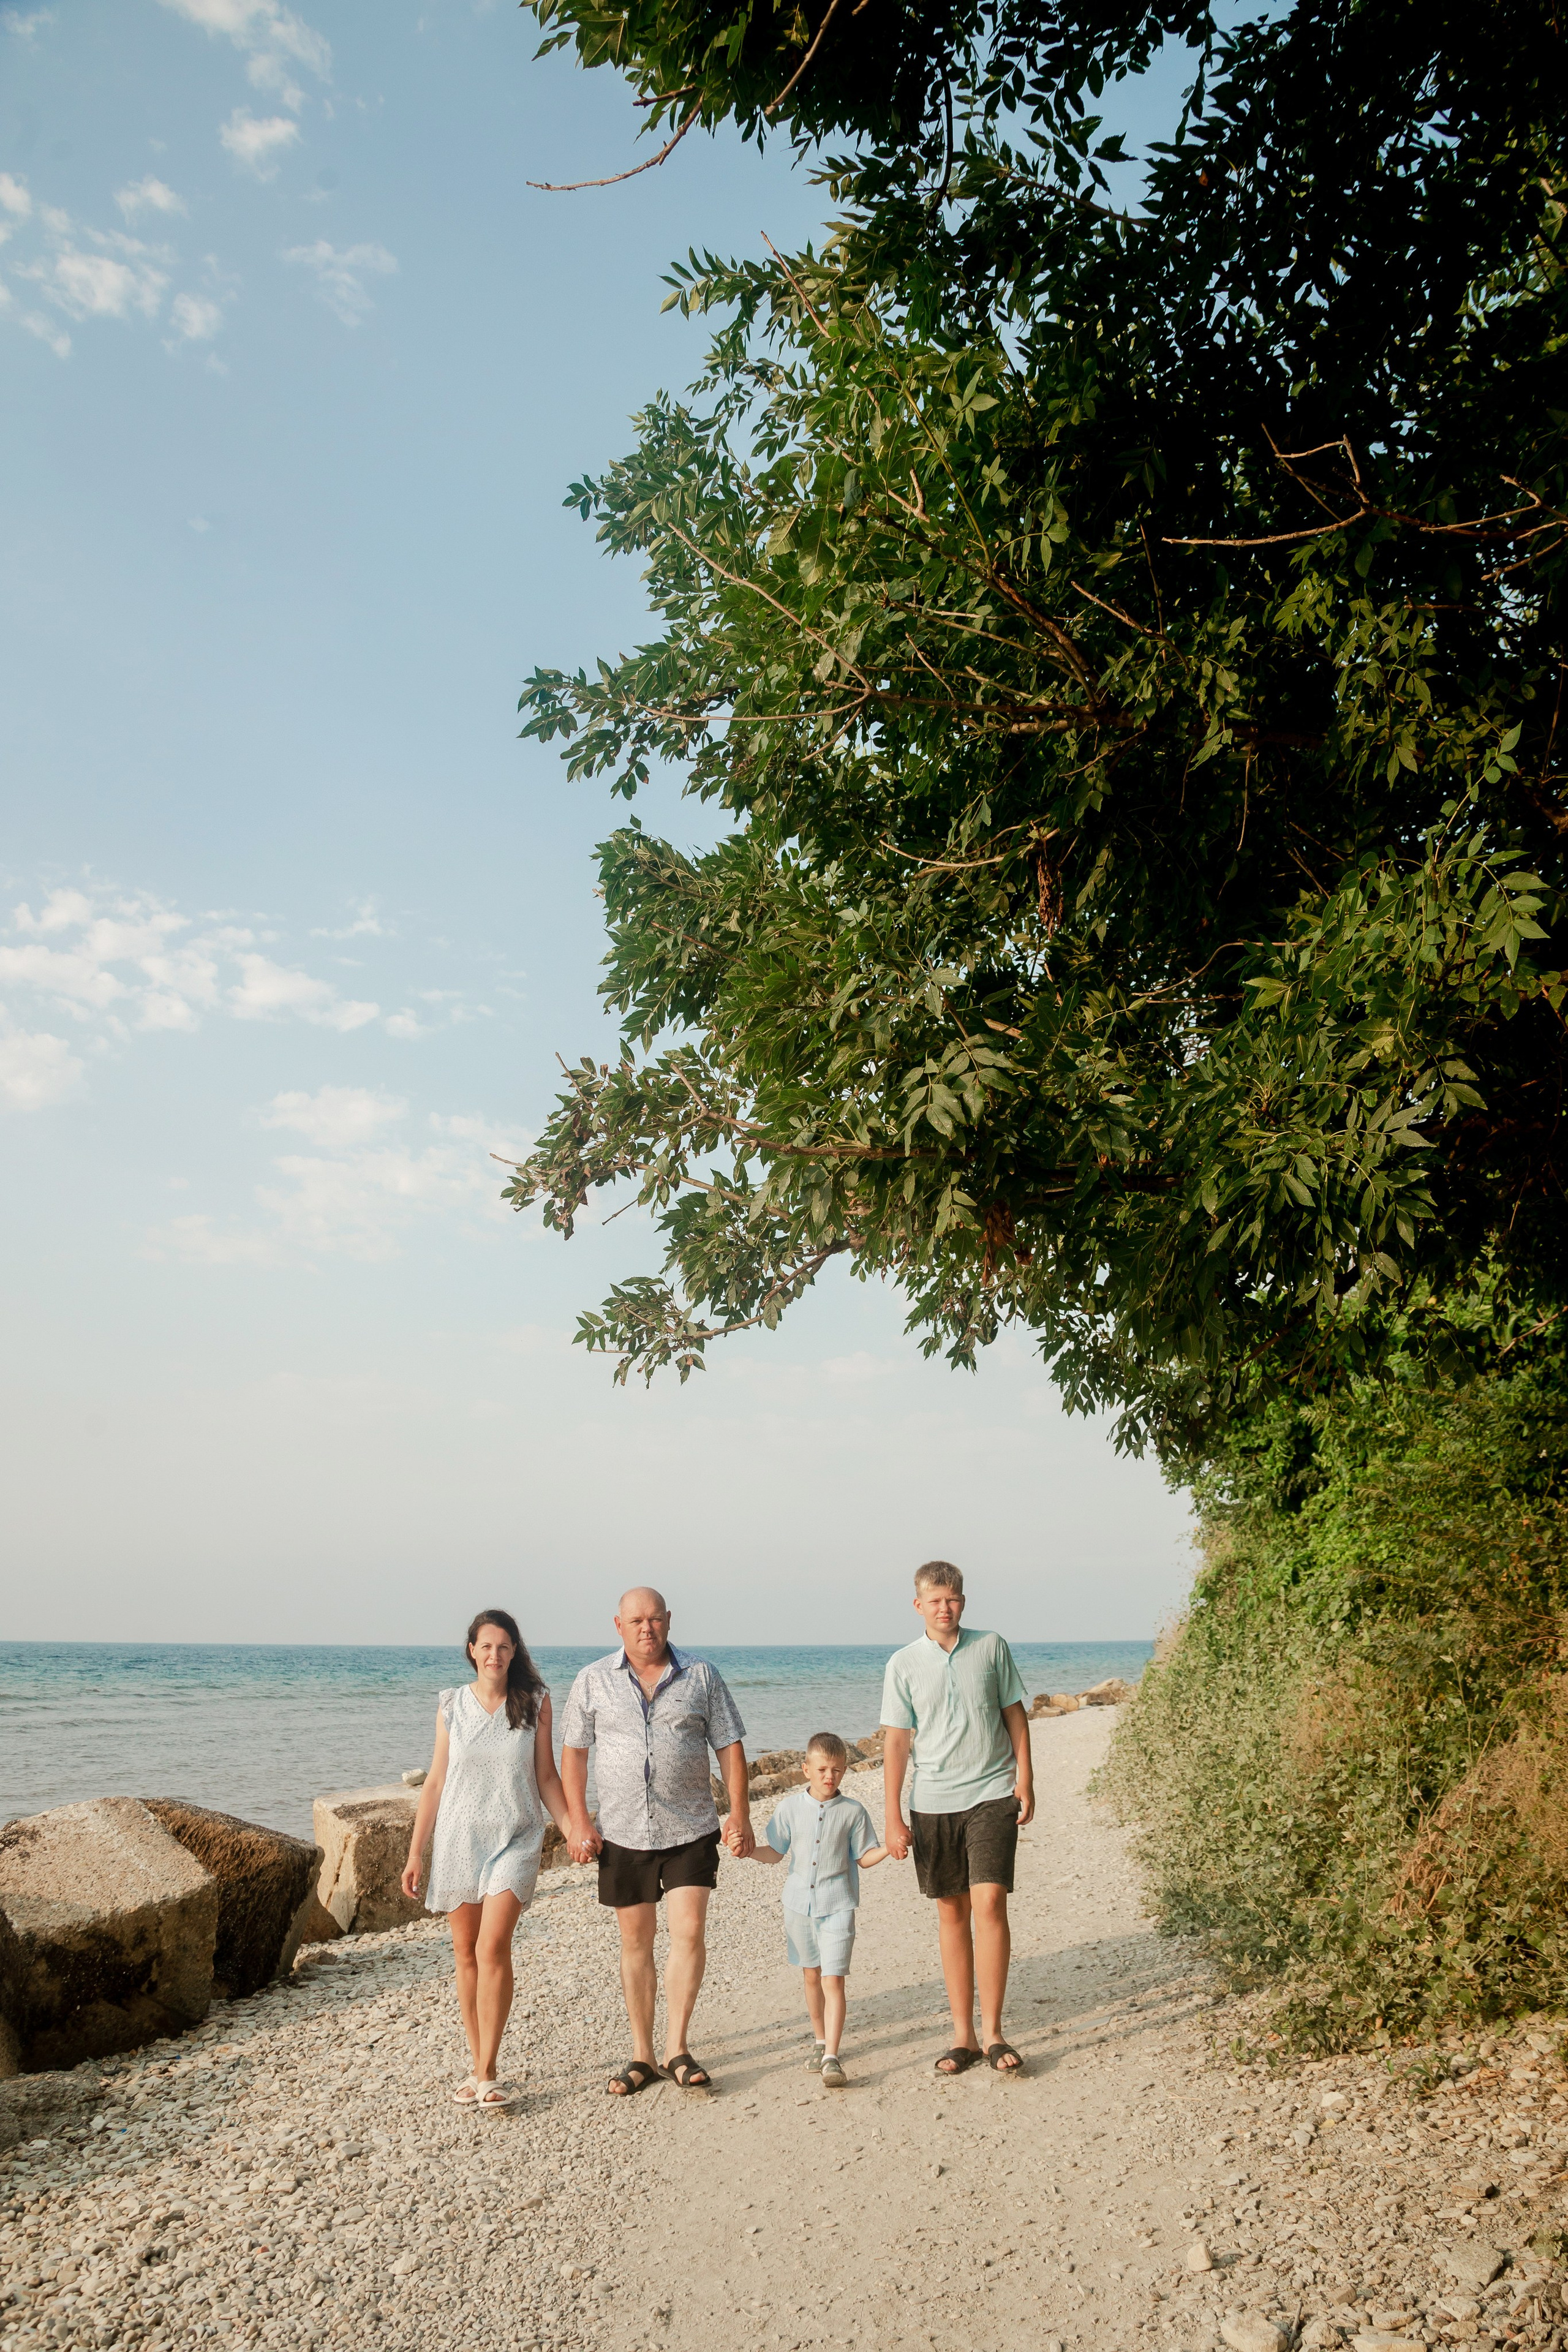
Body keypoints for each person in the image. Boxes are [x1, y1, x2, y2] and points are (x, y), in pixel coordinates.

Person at [560, 1586, 752, 2095]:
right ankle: (642, 2055)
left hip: (690, 1827)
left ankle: (677, 2047)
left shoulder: (702, 1676)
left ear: (669, 1620)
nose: (647, 1628)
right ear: (618, 1625)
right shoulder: (592, 1680)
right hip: (622, 1833)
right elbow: (574, 1755)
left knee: (688, 1932)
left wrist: (740, 1814)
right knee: (636, 1942)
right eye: (636, 1620)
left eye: (655, 1619)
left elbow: (730, 1747)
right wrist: (579, 1822)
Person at [400, 1608, 572, 2111]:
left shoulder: (536, 1704)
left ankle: (488, 2072)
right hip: (458, 1840)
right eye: (486, 1646)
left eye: (503, 1646)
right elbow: (434, 1782)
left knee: (493, 1946)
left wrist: (573, 1829)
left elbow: (547, 1777)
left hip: (516, 1836)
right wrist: (416, 1853)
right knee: (465, 1953)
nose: (494, 1655)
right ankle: (477, 2068)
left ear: (515, 1651)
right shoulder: (451, 1705)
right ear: (472, 1651)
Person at [880, 1560, 1034, 2075]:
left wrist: (1025, 1780)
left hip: (992, 1792)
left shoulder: (991, 1646)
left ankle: (993, 2033)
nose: (945, 1608)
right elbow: (897, 1741)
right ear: (918, 1604)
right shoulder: (903, 1663)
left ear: (963, 1602)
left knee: (989, 1902)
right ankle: (962, 2037)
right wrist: (892, 1813)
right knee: (952, 1912)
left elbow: (1015, 1713)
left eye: (953, 1599)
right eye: (935, 1600)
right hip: (932, 1802)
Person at [746, 1730, 886, 2089]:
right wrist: (747, 1850)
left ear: (844, 1771)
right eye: (823, 1769)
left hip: (838, 1905)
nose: (830, 1777)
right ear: (806, 1769)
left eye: (837, 1770)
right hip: (798, 1907)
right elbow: (775, 1853)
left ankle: (831, 2058)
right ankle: (821, 2039)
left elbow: (864, 1857)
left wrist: (890, 1849)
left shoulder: (854, 1812)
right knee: (811, 1975)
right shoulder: (789, 1809)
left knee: (833, 1978)